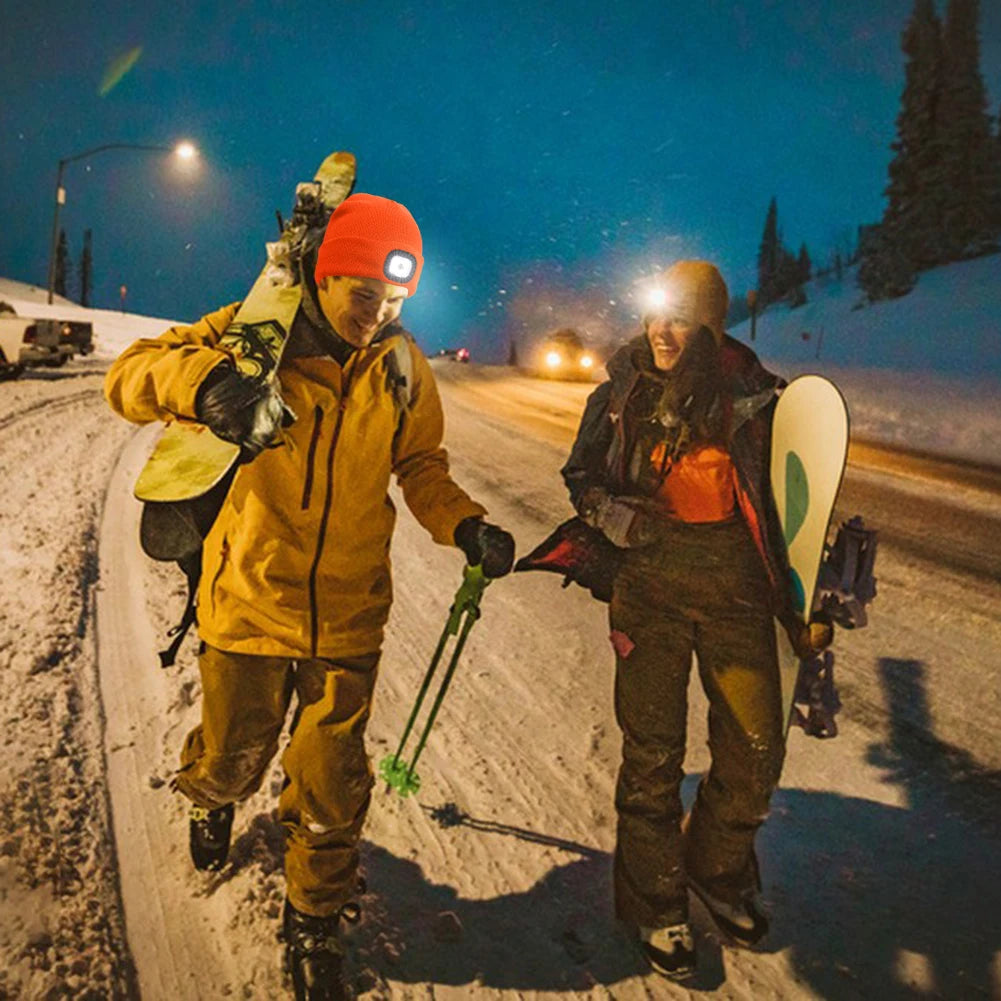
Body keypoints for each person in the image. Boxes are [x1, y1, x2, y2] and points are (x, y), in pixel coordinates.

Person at [104, 193, 515, 1001]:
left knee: (331, 785)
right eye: (364, 293)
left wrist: (464, 525)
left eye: (395, 299)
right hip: (249, 602)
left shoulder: (399, 365)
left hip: (349, 613)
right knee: (233, 757)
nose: (379, 313)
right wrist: (209, 383)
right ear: (324, 278)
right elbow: (129, 376)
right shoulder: (255, 337)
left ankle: (313, 918)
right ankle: (210, 796)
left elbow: (421, 465)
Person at [560, 260, 831, 980]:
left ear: (710, 323)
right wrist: (609, 513)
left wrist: (813, 585)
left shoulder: (757, 399)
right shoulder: (621, 393)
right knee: (651, 754)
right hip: (647, 587)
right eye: (654, 315)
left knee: (754, 748)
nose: (661, 330)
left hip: (735, 591)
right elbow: (580, 477)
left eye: (679, 317)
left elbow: (791, 505)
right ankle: (655, 901)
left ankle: (714, 867)